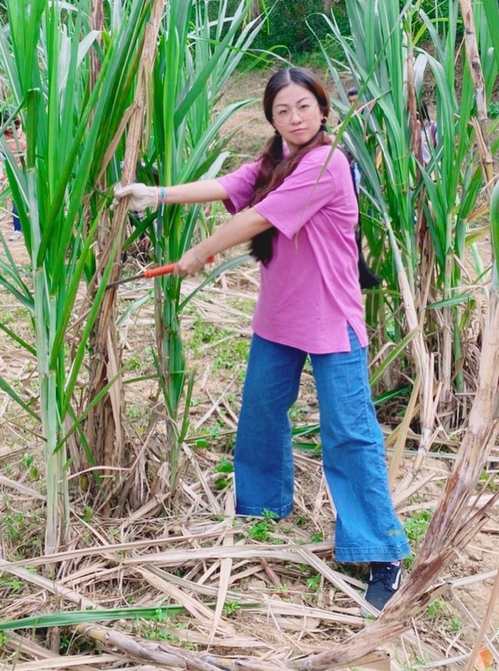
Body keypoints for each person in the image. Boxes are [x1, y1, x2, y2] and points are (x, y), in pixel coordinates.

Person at [114, 67, 410, 611]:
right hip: (280, 315)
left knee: (349, 430)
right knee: (260, 413)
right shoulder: (274, 162)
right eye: (282, 111)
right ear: (271, 119)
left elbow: (252, 220)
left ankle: (382, 552)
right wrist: (152, 194)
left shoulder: (327, 162)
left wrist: (197, 254)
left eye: (303, 107)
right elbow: (229, 187)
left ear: (323, 110)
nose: (294, 119)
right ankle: (262, 508)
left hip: (331, 317)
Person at [0, 111, 26, 240]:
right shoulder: (3, 138)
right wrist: (0, 173)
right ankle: (18, 230)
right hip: (15, 173)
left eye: (13, 124)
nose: (11, 129)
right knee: (17, 201)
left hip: (29, 171)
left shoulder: (25, 131)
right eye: (7, 126)